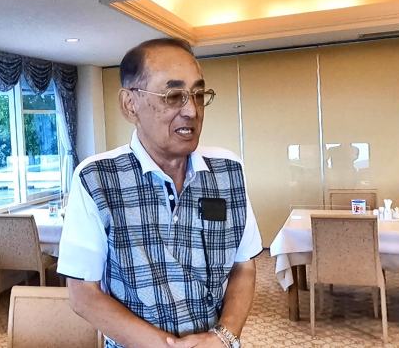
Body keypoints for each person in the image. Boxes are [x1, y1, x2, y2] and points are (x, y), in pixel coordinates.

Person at [57, 38, 262, 347]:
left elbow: (243, 266)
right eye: (174, 96)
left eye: (198, 94)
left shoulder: (228, 171)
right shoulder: (97, 179)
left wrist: (223, 337)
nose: (191, 110)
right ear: (130, 104)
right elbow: (83, 294)